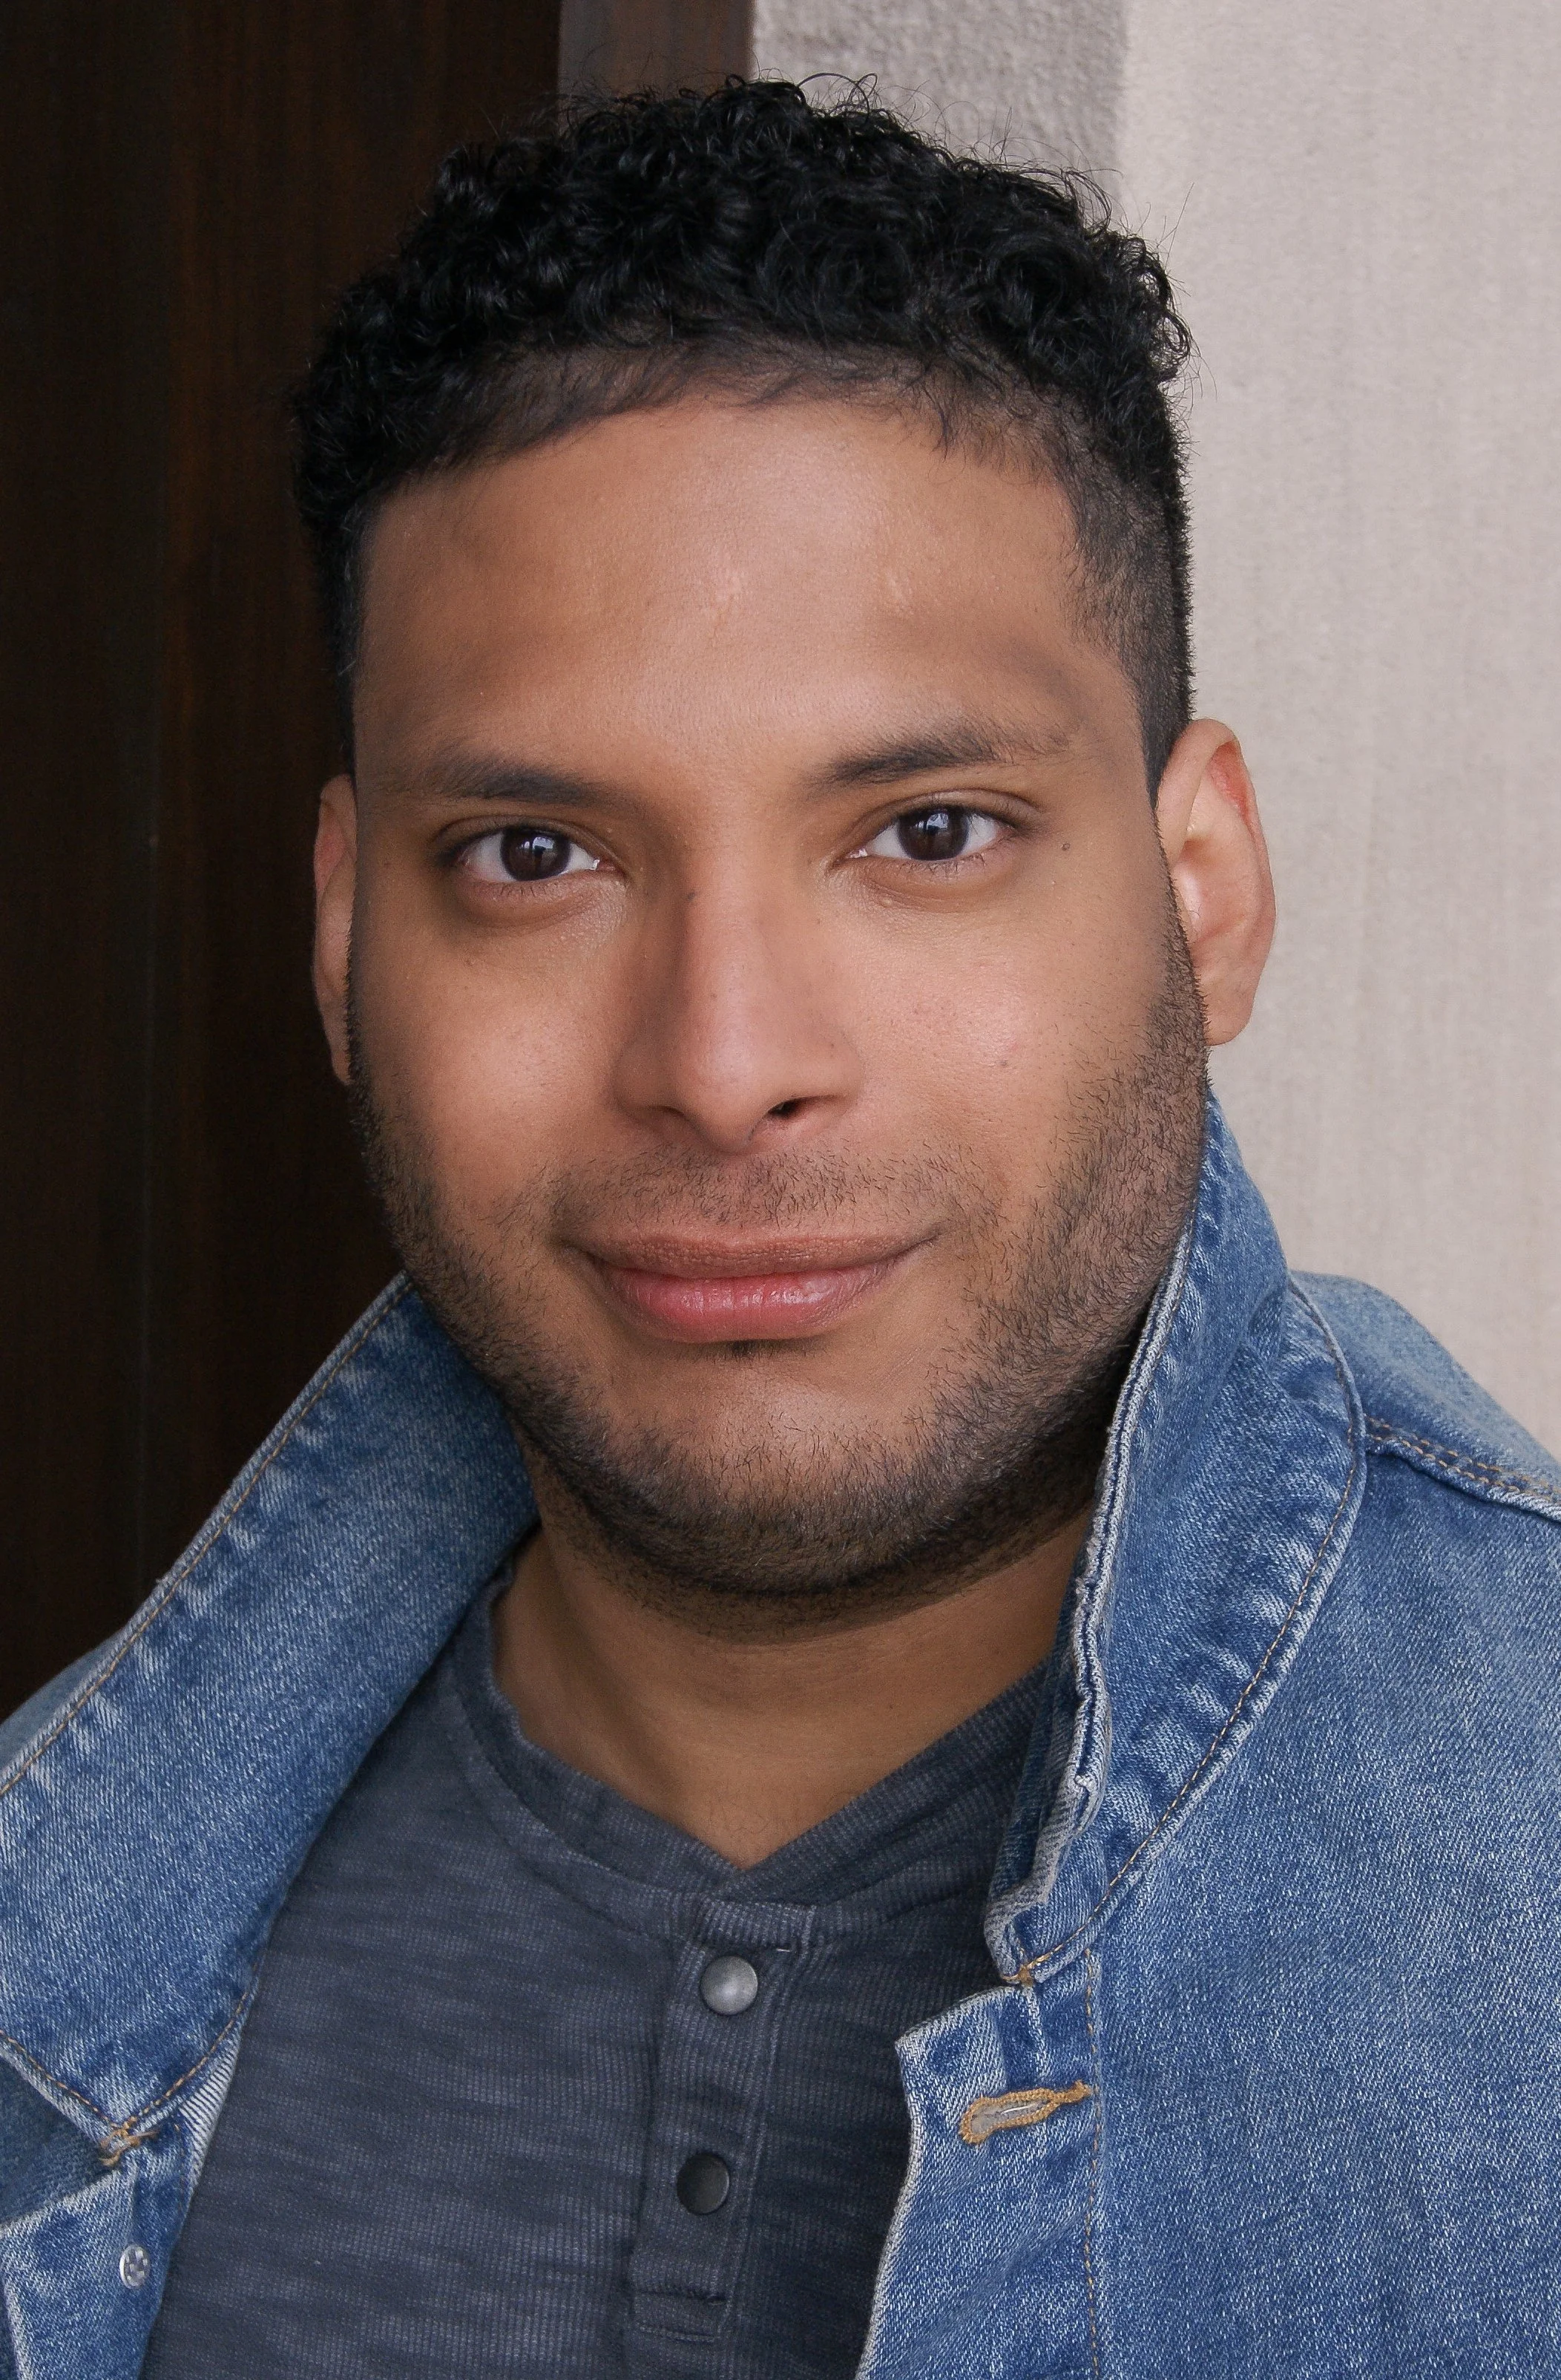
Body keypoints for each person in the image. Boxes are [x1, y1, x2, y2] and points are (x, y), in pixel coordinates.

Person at [0, 79, 1555, 2380]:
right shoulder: (59, 1926)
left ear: (1200, 890)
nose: (725, 1060)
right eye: (539, 855)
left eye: (926, 829)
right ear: (346, 945)